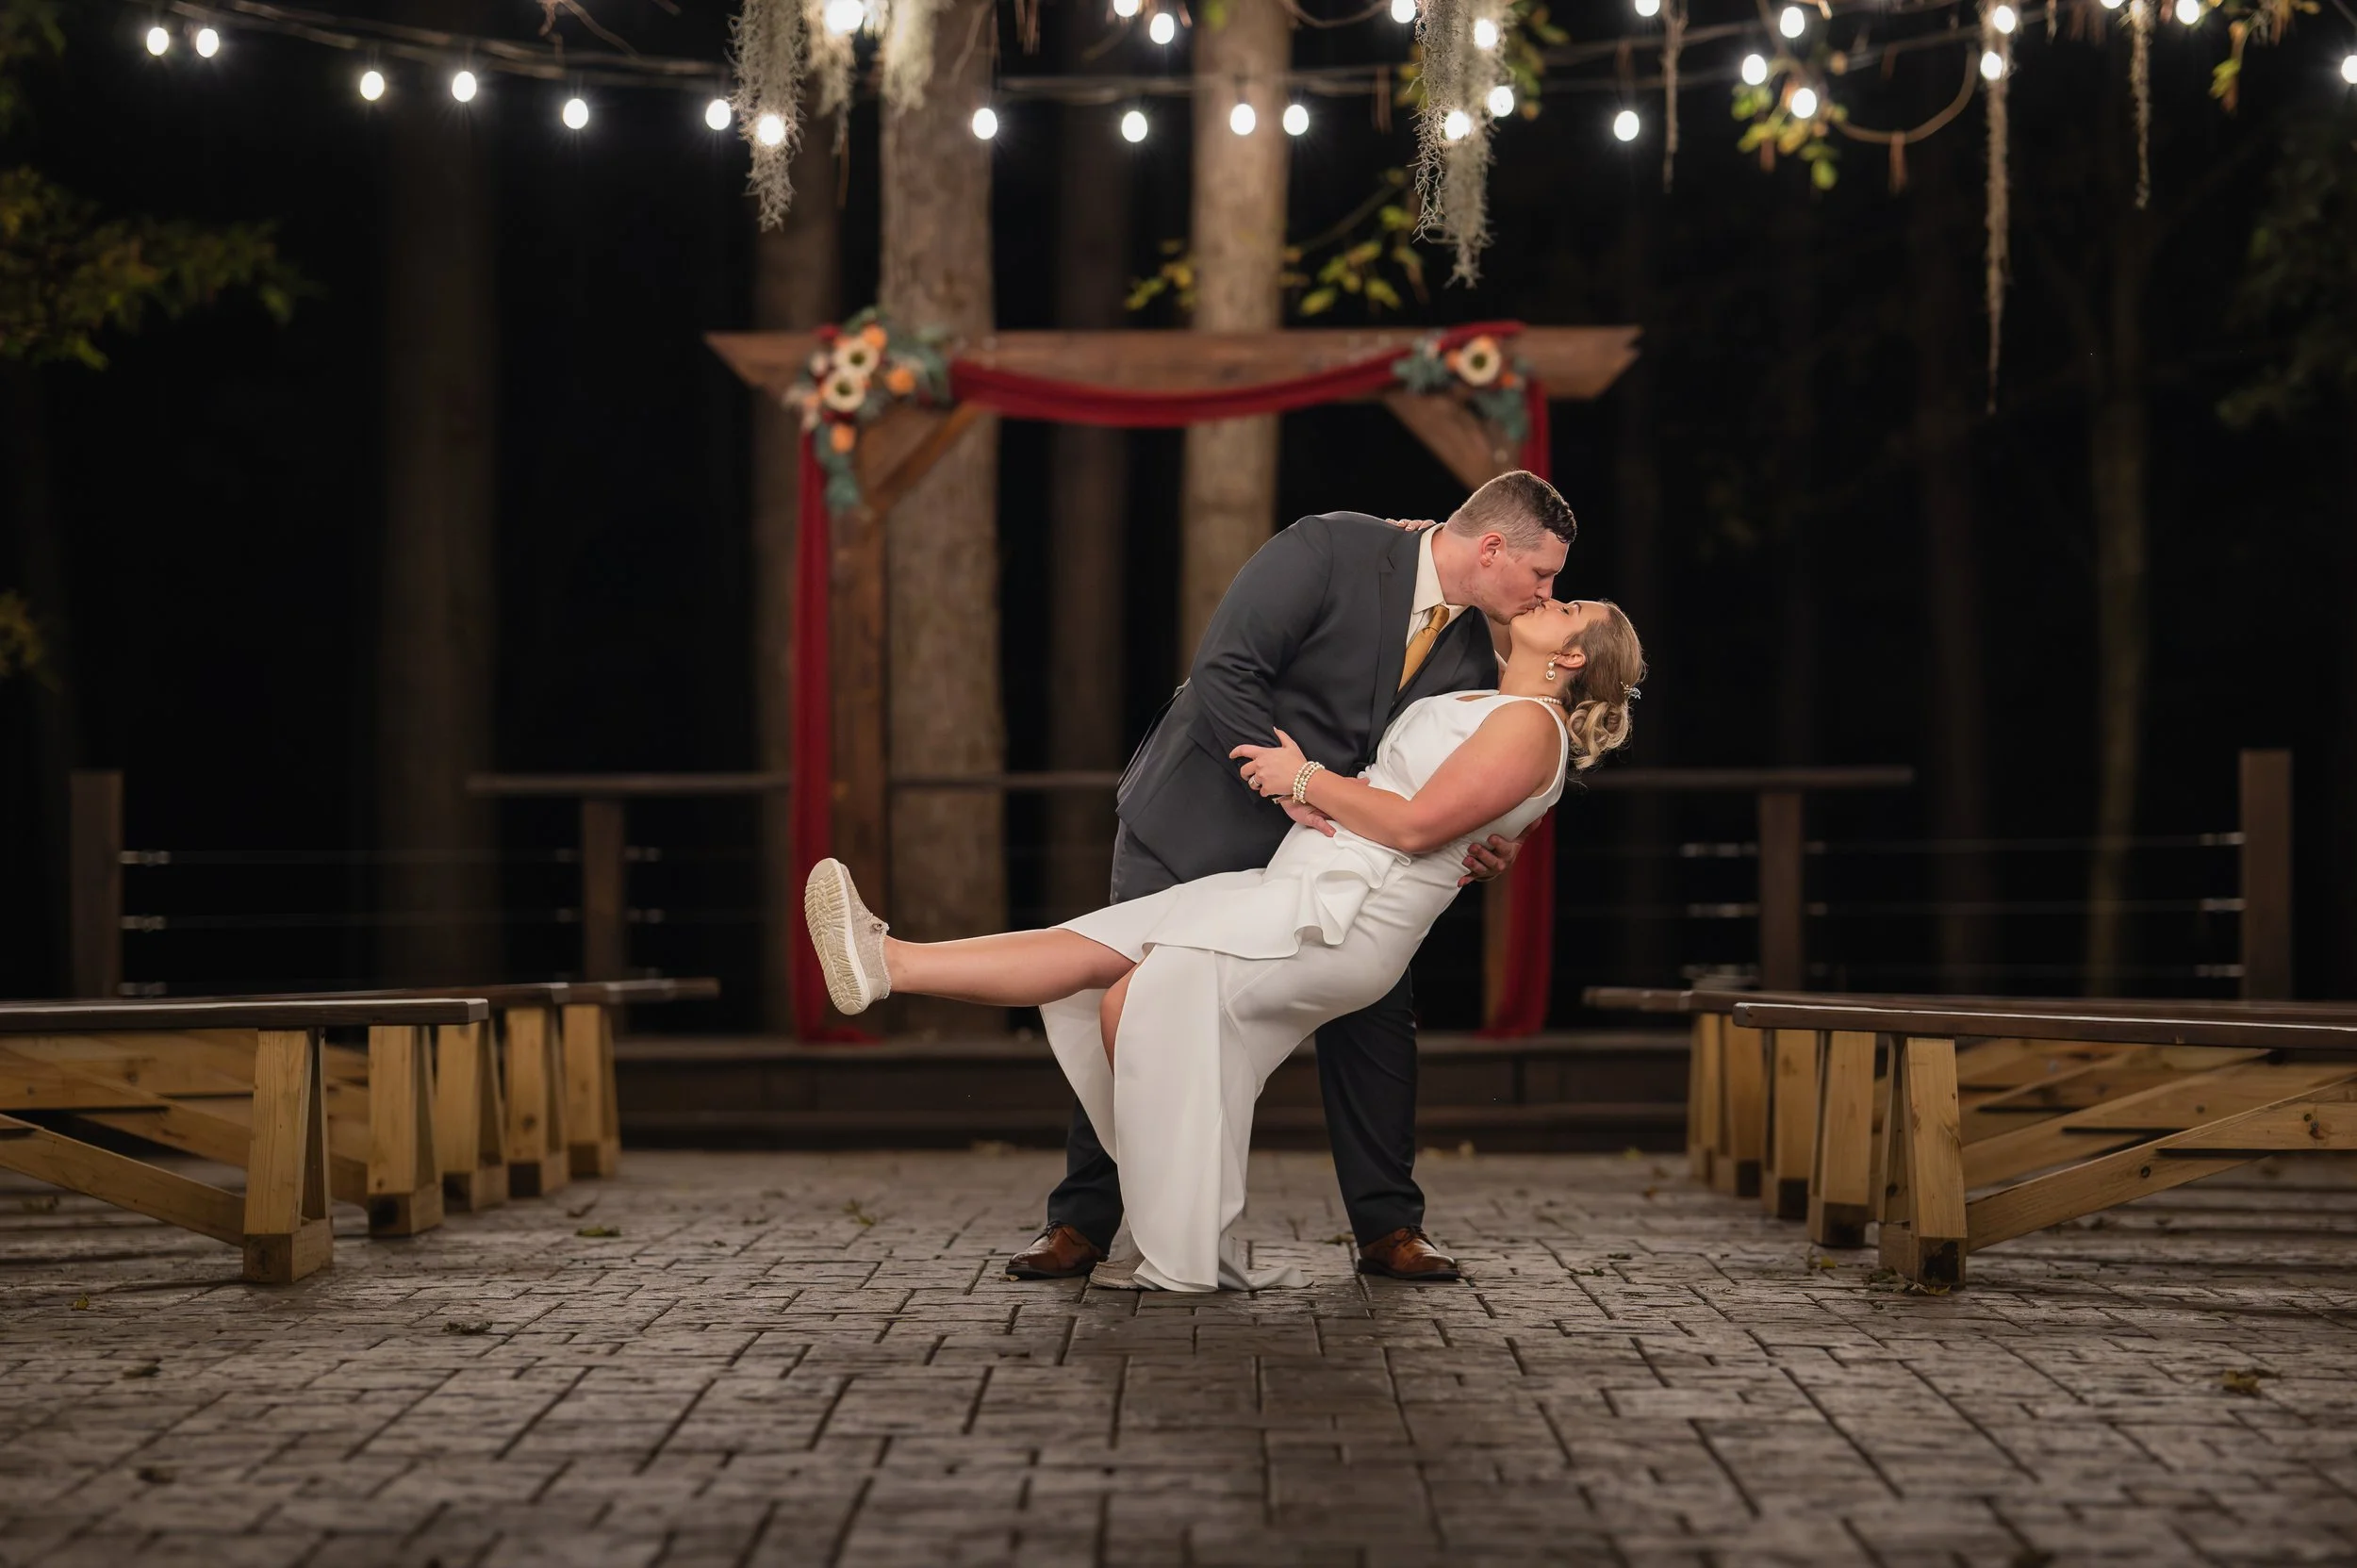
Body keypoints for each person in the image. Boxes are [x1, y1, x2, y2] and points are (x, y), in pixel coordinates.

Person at [805, 594, 1647, 1292]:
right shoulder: (1490, 702)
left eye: (1568, 604)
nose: (1547, 595)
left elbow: (1422, 822)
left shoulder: (1532, 723)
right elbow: (1456, 808)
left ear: (1572, 658)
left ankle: (1177, 1241)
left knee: (1135, 994)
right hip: (1299, 884)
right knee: (1106, 956)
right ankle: (891, 963)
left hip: (1345, 917)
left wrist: (1304, 779)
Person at [1028, 471, 1579, 1285]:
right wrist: (1292, 784)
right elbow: (1226, 670)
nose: (1547, 592)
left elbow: (1467, 776)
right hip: (1201, 817)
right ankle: (1081, 1219)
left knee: (1377, 1012)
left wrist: (1494, 837)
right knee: (1136, 989)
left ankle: (1390, 1224)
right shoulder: (1331, 546)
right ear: (1492, 547)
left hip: (1336, 859)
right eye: (1543, 573)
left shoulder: (1474, 653)